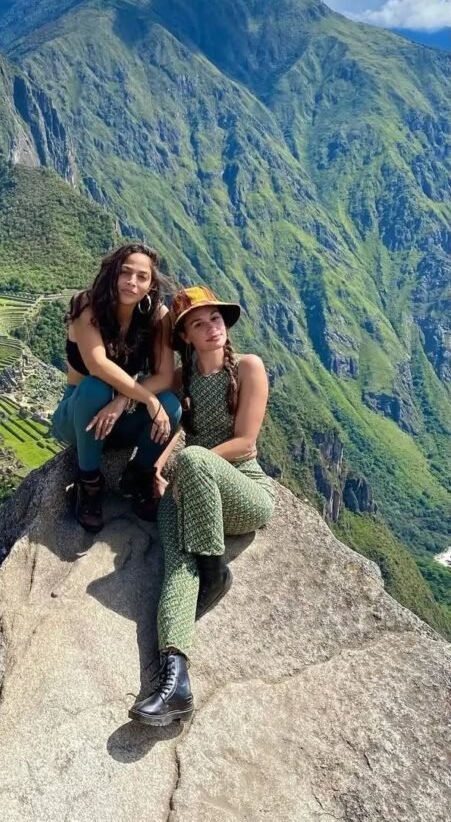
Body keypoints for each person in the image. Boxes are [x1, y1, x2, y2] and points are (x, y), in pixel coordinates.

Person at [129, 284, 275, 726]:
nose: (211, 328)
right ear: (186, 338)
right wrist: (160, 461)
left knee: (190, 463)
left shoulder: (248, 368)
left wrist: (184, 464)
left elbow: (246, 442)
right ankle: (175, 682)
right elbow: (179, 421)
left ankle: (212, 571)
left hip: (244, 493)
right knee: (175, 565)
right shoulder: (185, 377)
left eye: (214, 319)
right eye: (198, 323)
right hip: (195, 484)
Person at [51, 243, 183, 532]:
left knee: (170, 407)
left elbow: (164, 374)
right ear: (112, 273)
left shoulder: (157, 317)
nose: (132, 282)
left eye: (142, 276)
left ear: (151, 285)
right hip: (78, 415)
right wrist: (145, 398)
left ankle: (139, 475)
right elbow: (98, 365)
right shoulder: (86, 305)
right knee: (96, 387)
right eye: (125, 272)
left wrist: (125, 399)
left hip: (116, 419)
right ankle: (89, 485)